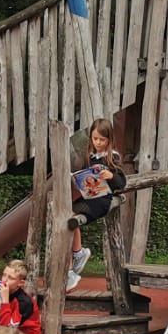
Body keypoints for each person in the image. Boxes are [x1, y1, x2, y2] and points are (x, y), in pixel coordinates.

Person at [66, 118, 127, 292]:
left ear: (109, 140)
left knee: (70, 218)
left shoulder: (113, 157)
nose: (98, 143)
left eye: (102, 139)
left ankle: (76, 260)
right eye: (95, 139)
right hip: (88, 197)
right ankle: (77, 257)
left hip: (102, 201)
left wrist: (111, 176)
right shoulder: (89, 156)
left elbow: (122, 183)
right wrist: (77, 179)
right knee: (67, 217)